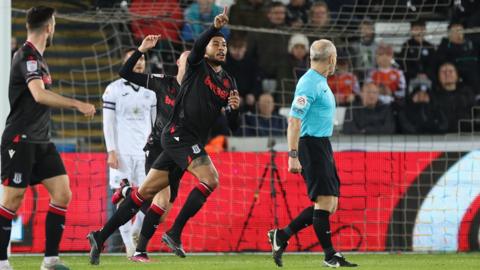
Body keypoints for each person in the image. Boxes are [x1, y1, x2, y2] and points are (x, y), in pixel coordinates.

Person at [87, 8, 240, 264]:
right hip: (176, 136)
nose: (221, 47)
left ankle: (100, 235)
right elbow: (197, 46)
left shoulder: (228, 81)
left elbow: (232, 124)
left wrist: (234, 108)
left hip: (187, 142)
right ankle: (173, 234)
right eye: (216, 43)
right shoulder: (195, 66)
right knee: (210, 179)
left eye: (224, 44)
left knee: (145, 194)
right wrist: (213, 27)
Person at [0, 6, 96, 270]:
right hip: (20, 139)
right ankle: (1, 262)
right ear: (49, 27)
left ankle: (50, 261)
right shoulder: (27, 56)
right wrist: (76, 104)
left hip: (41, 141)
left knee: (62, 193)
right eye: (54, 23)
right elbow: (39, 95)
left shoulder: (40, 58)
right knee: (11, 200)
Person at [268, 39, 357, 268]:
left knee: (330, 204)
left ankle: (282, 236)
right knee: (325, 201)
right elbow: (294, 120)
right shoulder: (308, 83)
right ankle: (329, 255)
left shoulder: (319, 81)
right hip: (310, 145)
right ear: (332, 59)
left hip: (321, 144)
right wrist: (293, 154)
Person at [102, 49, 156, 257]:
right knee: (122, 198)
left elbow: (154, 124)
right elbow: (108, 123)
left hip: (144, 155)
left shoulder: (151, 91)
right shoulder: (113, 90)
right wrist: (111, 151)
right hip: (122, 153)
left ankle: (135, 232)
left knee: (147, 196)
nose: (139, 63)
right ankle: (128, 245)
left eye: (142, 59)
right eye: (135, 60)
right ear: (127, 63)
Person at [434, 21, 480, 94]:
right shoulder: (443, 50)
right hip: (459, 89)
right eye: (455, 31)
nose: (458, 33)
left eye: (460, 30)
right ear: (449, 34)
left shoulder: (473, 45)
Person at [432, 62, 475, 133]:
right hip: (440, 138)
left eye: (451, 71)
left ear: (457, 75)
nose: (447, 74)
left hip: (467, 136)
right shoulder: (432, 96)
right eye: (443, 72)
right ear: (438, 77)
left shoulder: (467, 94)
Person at [397, 19, 435, 84]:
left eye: (422, 29)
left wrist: (426, 74)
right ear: (412, 31)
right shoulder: (407, 45)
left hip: (427, 78)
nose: (419, 32)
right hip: (411, 79)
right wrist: (415, 74)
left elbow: (433, 63)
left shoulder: (429, 46)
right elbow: (404, 64)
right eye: (416, 29)